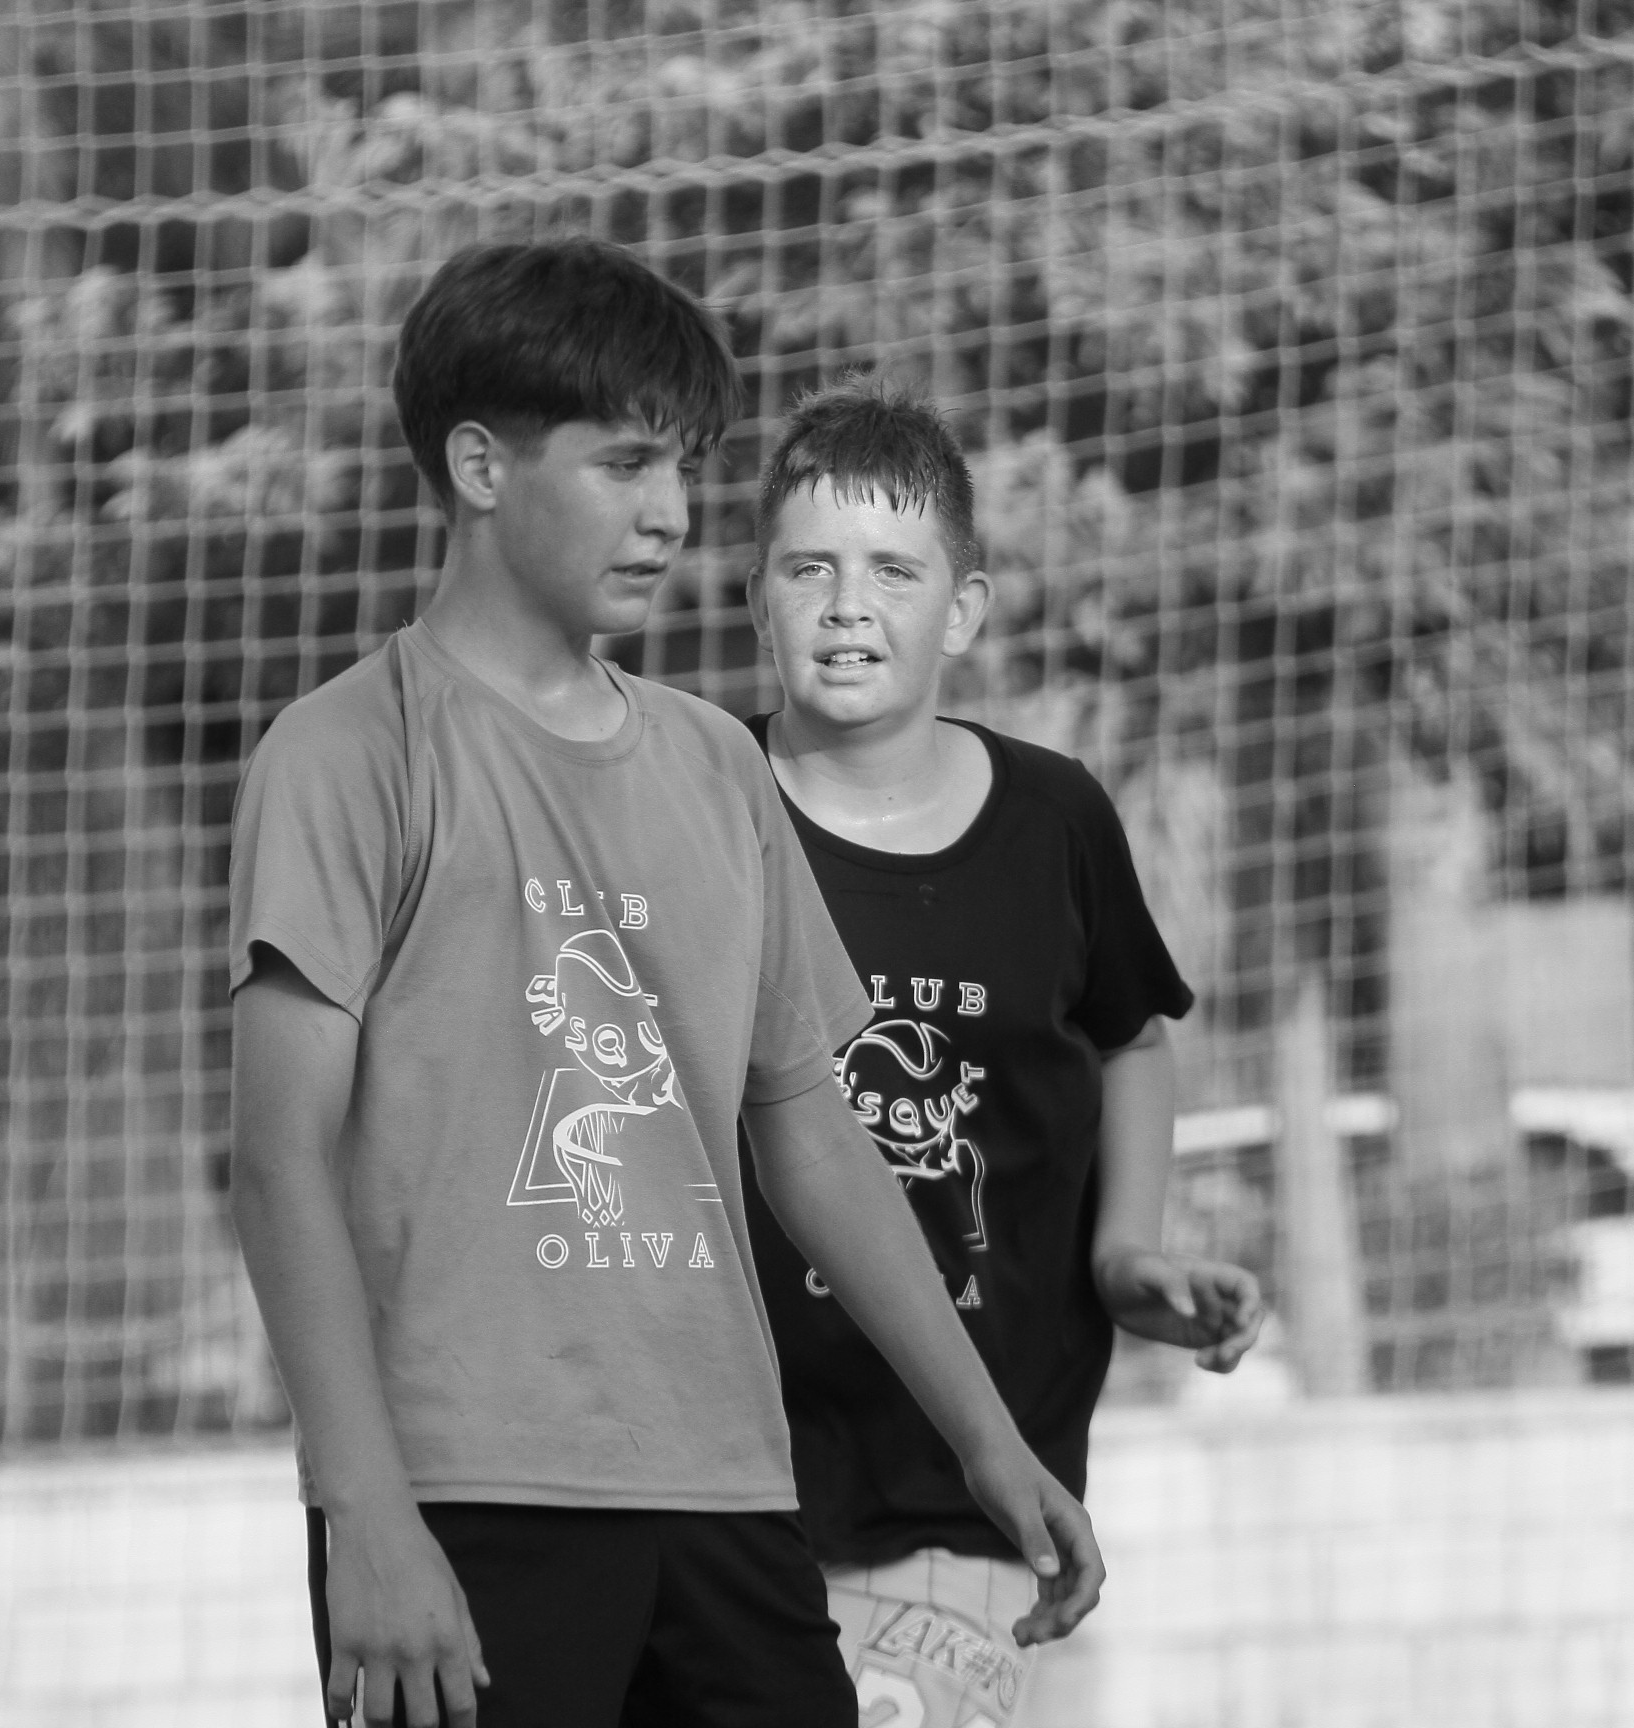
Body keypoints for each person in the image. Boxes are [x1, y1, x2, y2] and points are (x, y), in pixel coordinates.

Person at [226, 241, 1102, 1728]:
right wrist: (365, 1511)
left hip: (730, 1495)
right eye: (625, 462)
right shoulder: (347, 755)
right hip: (465, 1496)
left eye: (684, 465)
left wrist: (988, 1437)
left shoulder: (714, 764)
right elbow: (277, 1160)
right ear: (481, 466)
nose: (672, 512)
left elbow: (812, 1135)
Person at [740, 378, 1266, 1728]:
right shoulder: (700, 806)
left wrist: (1125, 1254)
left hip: (973, 1492)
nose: (848, 606)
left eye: (893, 571)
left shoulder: (1054, 821)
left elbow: (1130, 1036)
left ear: (963, 610)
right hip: (732, 1483)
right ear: (756, 598)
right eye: (809, 567)